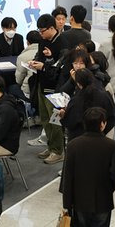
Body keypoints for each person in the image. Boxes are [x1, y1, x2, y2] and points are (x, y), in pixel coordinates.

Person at [63, 107, 115, 227]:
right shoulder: (112, 146)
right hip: (103, 200)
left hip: (80, 202)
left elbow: (68, 177)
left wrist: (67, 204)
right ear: (102, 124)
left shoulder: (73, 145)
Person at [28, 14, 68, 164]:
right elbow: (40, 57)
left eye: (43, 31)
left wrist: (44, 66)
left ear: (52, 28)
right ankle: (51, 147)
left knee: (55, 120)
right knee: (45, 119)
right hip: (42, 84)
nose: (40, 34)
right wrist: (35, 62)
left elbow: (60, 67)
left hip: (56, 89)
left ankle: (58, 151)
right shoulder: (42, 40)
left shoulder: (63, 43)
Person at [60, 68, 115, 141]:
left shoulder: (75, 101)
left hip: (78, 140)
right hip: (100, 138)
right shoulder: (104, 96)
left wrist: (63, 115)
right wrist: (103, 132)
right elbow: (111, 117)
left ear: (78, 83)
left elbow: (70, 123)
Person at [14, 30, 42, 102]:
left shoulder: (23, 56)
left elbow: (19, 80)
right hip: (42, 91)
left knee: (12, 88)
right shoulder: (46, 52)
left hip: (29, 92)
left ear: (27, 42)